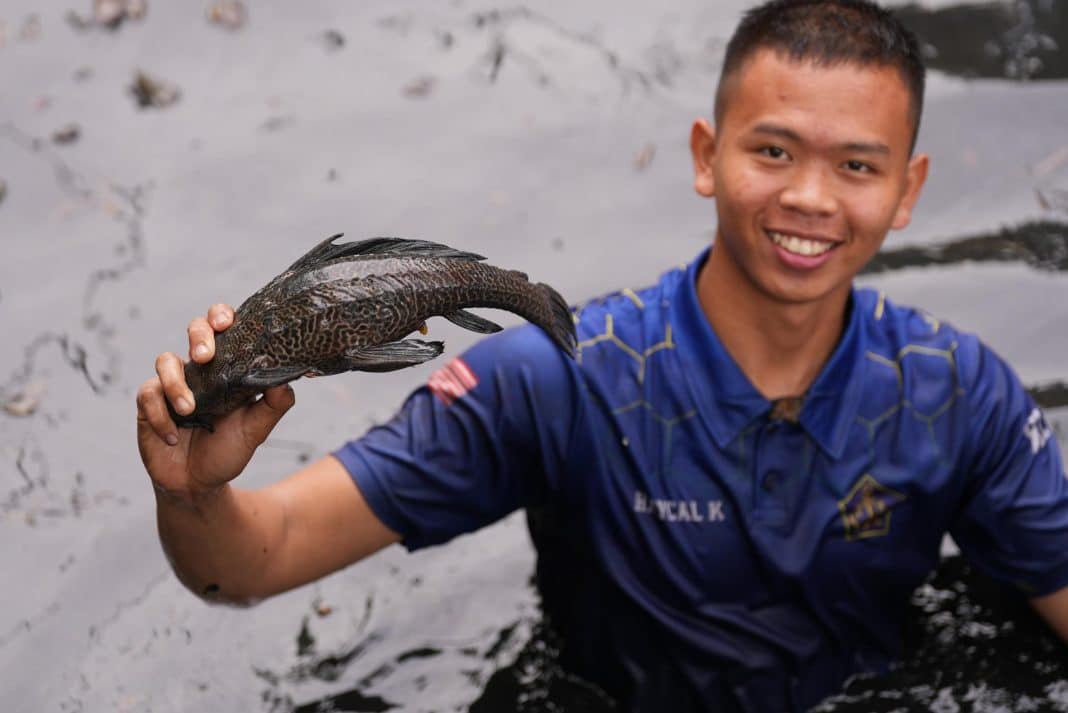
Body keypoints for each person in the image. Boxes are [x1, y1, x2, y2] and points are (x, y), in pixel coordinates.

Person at [135, 1, 1068, 710]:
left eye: (858, 166)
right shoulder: (558, 376)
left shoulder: (957, 395)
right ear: (707, 155)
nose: (812, 198)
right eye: (774, 150)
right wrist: (192, 491)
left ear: (909, 190)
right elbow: (254, 563)